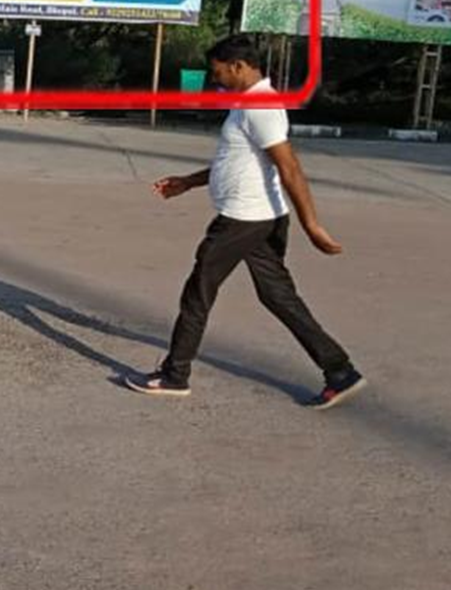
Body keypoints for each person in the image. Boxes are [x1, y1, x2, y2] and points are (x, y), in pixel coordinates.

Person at [126, 35, 367, 410]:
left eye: (219, 72)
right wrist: (188, 182)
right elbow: (235, 162)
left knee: (198, 293)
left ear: (238, 66)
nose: (216, 80)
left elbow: (290, 168)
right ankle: (339, 371)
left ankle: (175, 375)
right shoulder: (248, 104)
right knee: (278, 296)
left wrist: (313, 226)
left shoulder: (261, 107)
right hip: (259, 218)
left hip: (242, 220)